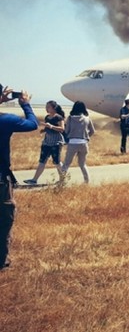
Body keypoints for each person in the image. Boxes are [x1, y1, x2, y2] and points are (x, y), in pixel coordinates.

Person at [0, 87, 38, 270]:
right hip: (0, 178)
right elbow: (32, 124)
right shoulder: (6, 120)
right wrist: (25, 104)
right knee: (4, 219)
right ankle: (1, 262)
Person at [24, 100, 66, 185]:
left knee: (57, 161)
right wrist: (44, 130)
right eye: (46, 107)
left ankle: (63, 179)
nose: (46, 109)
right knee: (42, 161)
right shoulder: (47, 117)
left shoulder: (59, 117)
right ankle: (34, 179)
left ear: (54, 108)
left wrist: (51, 126)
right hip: (47, 141)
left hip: (56, 142)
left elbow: (62, 129)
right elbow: (48, 128)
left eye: (48, 107)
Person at [61, 101, 96, 184]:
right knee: (82, 164)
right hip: (83, 143)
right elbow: (93, 131)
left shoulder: (70, 118)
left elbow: (66, 131)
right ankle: (86, 181)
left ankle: (62, 181)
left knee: (66, 164)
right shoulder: (87, 119)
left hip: (73, 142)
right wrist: (87, 137)